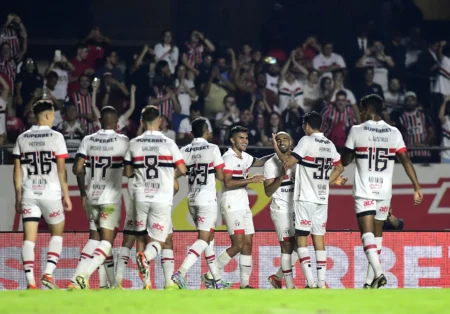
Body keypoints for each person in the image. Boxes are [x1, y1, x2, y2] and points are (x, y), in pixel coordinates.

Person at [341, 94, 423, 289]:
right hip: (384, 192)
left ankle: (379, 274)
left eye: (361, 110)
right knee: (377, 237)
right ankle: (370, 283)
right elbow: (406, 161)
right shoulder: (394, 132)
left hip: (364, 190)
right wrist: (417, 187)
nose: (360, 113)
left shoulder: (356, 130)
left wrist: (350, 151)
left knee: (366, 235)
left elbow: (345, 161)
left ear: (368, 109)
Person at [272, 112, 345, 289]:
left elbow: (287, 163)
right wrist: (326, 182)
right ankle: (321, 283)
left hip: (305, 198)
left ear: (306, 125)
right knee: (319, 239)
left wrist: (276, 148)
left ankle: (310, 282)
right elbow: (340, 167)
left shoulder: (306, 141)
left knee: (302, 238)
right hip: (322, 198)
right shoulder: (329, 144)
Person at [201, 126, 272, 289]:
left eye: (246, 138)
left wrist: (278, 151)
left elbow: (260, 161)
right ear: (233, 140)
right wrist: (250, 181)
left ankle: (245, 284)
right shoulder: (228, 158)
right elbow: (227, 182)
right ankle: (210, 274)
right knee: (238, 244)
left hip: (244, 205)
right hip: (231, 204)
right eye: (241, 138)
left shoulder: (245, 157)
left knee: (248, 243)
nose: (245, 141)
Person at [13, 99, 72, 289]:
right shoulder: (56, 137)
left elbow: (17, 171)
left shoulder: (22, 138)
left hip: (30, 193)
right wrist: (67, 195)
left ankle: (30, 282)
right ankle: (48, 273)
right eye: (53, 114)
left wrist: (18, 196)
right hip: (51, 194)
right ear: (47, 115)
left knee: (29, 238)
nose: (54, 118)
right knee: (57, 233)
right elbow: (62, 170)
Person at [127, 105, 187, 289]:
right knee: (159, 240)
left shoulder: (134, 143)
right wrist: (169, 176)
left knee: (142, 237)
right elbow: (183, 169)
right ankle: (147, 258)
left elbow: (128, 172)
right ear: (160, 121)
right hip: (161, 196)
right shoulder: (168, 142)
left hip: (140, 196)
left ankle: (152, 282)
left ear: (142, 122)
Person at [73, 106, 129, 290]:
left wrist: (82, 192)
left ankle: (106, 283)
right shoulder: (123, 141)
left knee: (95, 239)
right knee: (106, 241)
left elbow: (77, 169)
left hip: (91, 196)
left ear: (100, 121)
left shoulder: (88, 140)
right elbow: (130, 169)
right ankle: (84, 275)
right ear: (115, 123)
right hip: (110, 200)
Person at [171, 118, 229, 289]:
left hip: (192, 199)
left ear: (191, 133)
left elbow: (177, 172)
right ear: (207, 132)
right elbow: (220, 176)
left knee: (208, 239)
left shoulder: (185, 149)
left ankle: (216, 281)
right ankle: (180, 272)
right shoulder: (213, 148)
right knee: (204, 239)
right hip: (206, 200)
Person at [264, 132, 298, 289]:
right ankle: (290, 287)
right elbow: (268, 192)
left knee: (299, 248)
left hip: (297, 208)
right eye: (278, 140)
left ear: (290, 142)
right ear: (275, 144)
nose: (282, 141)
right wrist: (281, 177)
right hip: (280, 209)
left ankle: (277, 278)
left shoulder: (298, 160)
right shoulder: (270, 164)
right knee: (286, 247)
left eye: (285, 139)